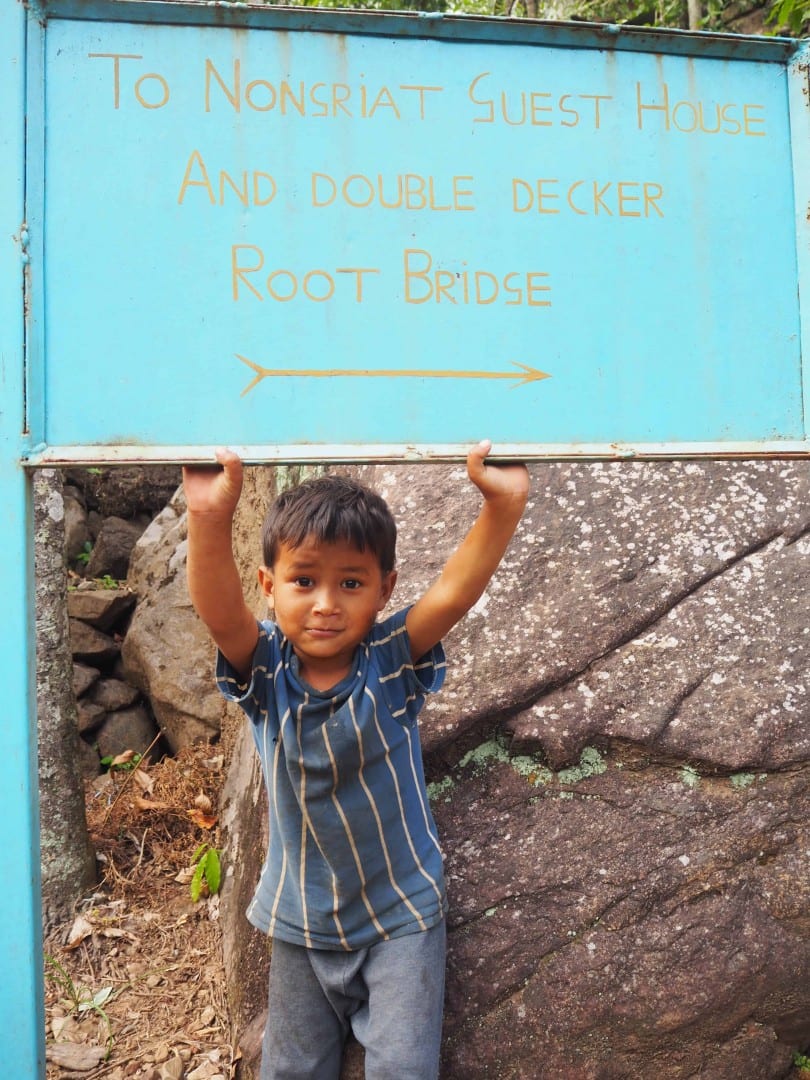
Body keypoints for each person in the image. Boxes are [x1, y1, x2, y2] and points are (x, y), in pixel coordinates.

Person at [182, 441, 529, 1080]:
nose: (325, 603)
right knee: (293, 1067)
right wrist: (207, 515)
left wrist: (502, 507)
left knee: (403, 1067)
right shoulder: (266, 672)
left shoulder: (389, 661)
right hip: (300, 917)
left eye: (351, 582)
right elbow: (218, 610)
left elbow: (452, 595)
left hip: (400, 916)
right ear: (269, 585)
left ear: (384, 587)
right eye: (304, 580)